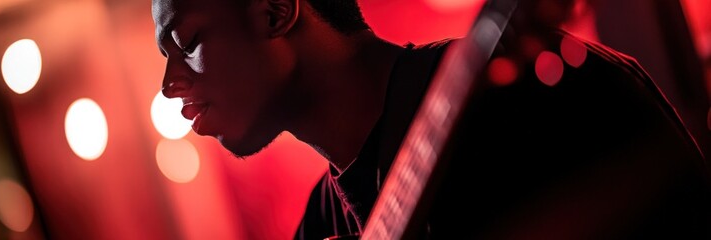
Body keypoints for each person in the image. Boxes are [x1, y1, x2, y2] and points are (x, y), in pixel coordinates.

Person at [151, 0, 710, 239]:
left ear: (275, 11)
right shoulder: (322, 227)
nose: (169, 83)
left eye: (188, 41)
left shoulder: (539, 102)